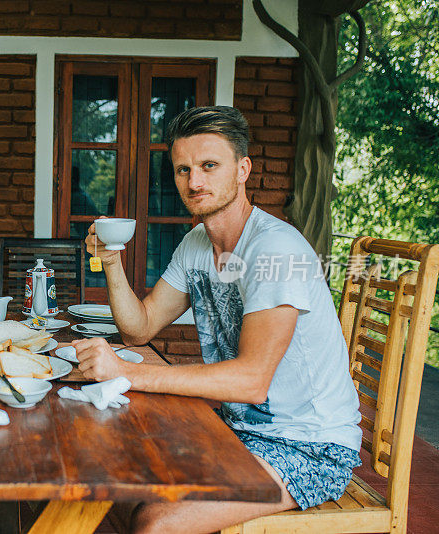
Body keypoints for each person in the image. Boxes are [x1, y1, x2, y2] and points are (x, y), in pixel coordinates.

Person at [75, 106, 362, 533]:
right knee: (117, 465)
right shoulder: (196, 244)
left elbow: (251, 382)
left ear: (242, 169)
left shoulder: (275, 250)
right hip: (237, 432)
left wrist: (126, 374)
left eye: (209, 166)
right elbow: (140, 328)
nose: (194, 182)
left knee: (155, 522)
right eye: (182, 170)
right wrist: (111, 260)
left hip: (311, 446)